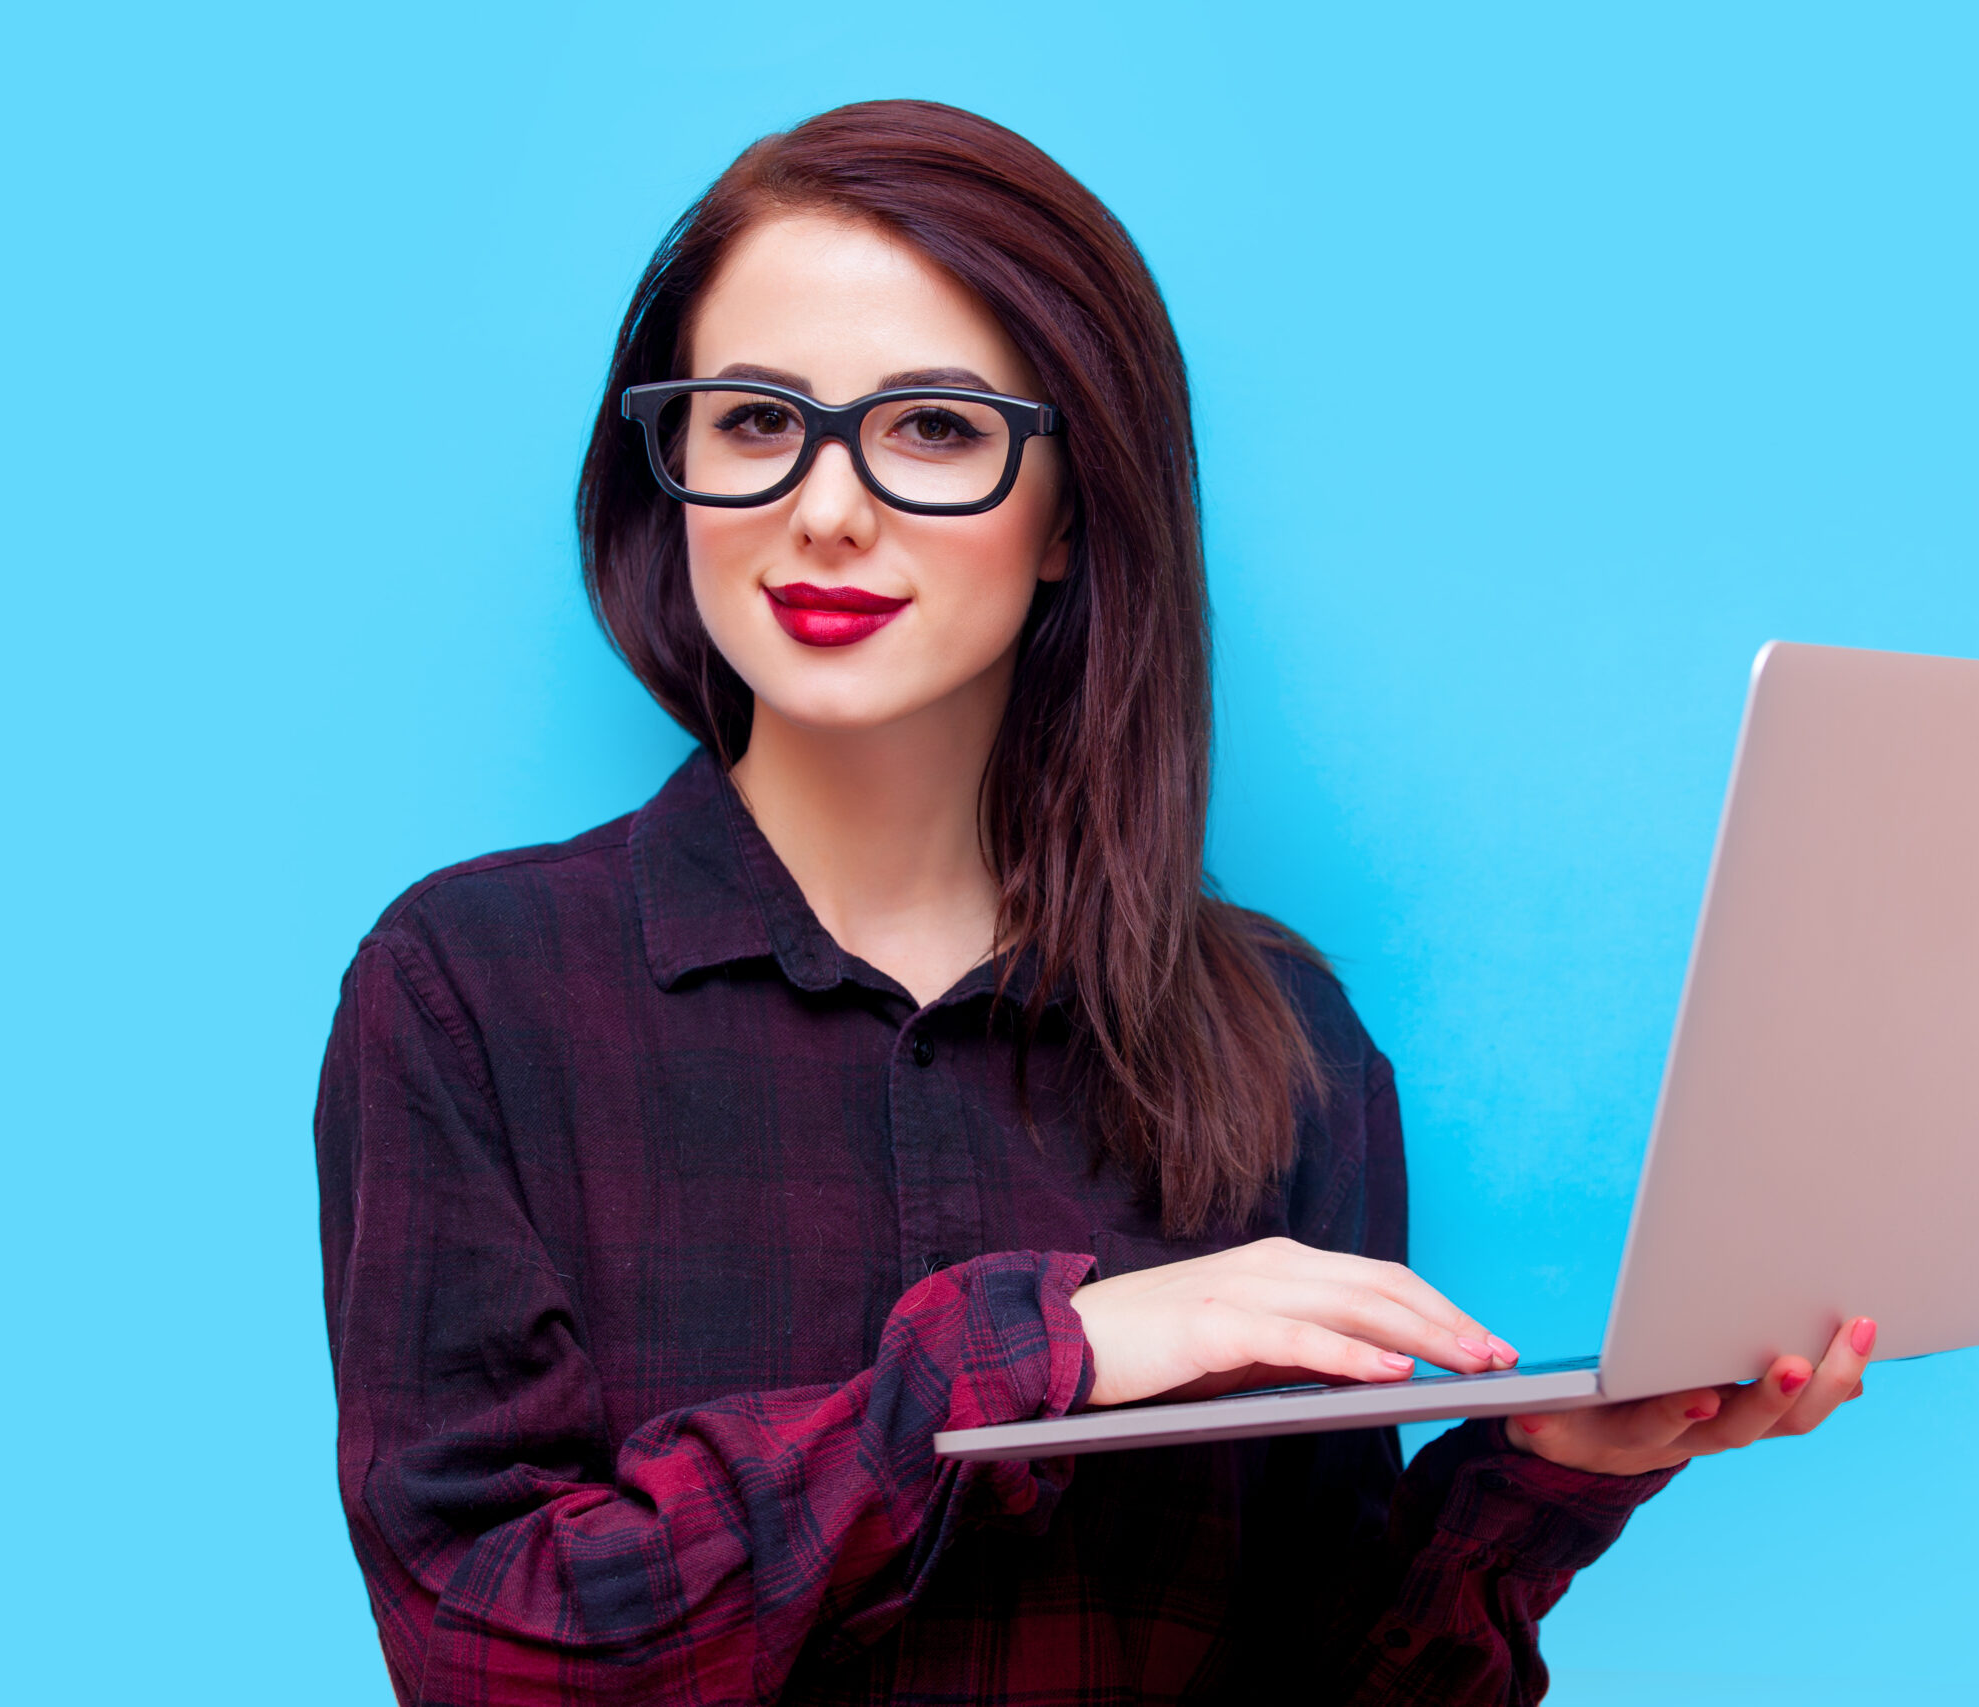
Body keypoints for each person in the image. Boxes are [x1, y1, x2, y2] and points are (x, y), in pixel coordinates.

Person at [314, 99, 1869, 1707]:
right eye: (757, 420)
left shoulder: (1283, 1045)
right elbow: (486, 1650)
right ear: (678, 471)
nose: (826, 509)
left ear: (1071, 511)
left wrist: (1552, 1476)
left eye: (935, 429)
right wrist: (1043, 1358)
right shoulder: (472, 991)